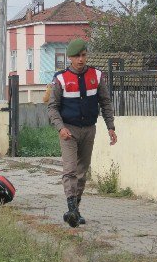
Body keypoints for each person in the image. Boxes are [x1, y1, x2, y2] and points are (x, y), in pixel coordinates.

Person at [47, 39, 117, 227]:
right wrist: (60, 128)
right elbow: (52, 107)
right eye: (77, 56)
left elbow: (105, 102)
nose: (80, 59)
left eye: (83, 55)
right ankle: (71, 208)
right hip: (68, 130)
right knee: (70, 170)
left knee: (82, 171)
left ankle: (75, 210)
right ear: (69, 58)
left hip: (89, 129)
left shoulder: (97, 75)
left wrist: (111, 127)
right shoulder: (60, 78)